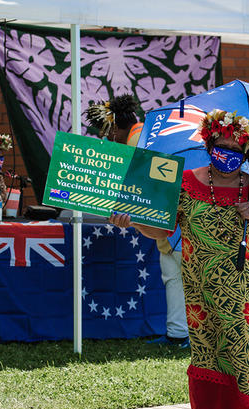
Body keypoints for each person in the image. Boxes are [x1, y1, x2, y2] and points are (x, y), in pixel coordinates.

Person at [109, 109, 249, 409]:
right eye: (220, 147)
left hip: (244, 297)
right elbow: (162, 228)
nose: (227, 155)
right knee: (206, 359)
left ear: (248, 153)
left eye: (235, 150)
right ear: (209, 145)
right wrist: (132, 222)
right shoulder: (187, 184)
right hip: (200, 293)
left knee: (240, 358)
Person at [85, 95, 189, 348]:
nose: (108, 139)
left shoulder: (136, 139)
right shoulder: (145, 133)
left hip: (177, 223)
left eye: (108, 132)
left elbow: (143, 188)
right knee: (174, 278)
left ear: (116, 127)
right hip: (174, 222)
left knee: (180, 278)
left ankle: (184, 335)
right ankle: (178, 334)